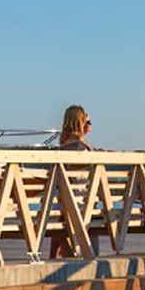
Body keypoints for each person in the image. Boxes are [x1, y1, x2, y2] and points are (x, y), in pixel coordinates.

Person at [48, 105, 93, 258]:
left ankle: (55, 255)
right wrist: (84, 136)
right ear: (80, 121)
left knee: (62, 219)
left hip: (64, 192)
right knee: (69, 220)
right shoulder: (79, 144)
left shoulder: (65, 143)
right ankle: (69, 252)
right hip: (78, 193)